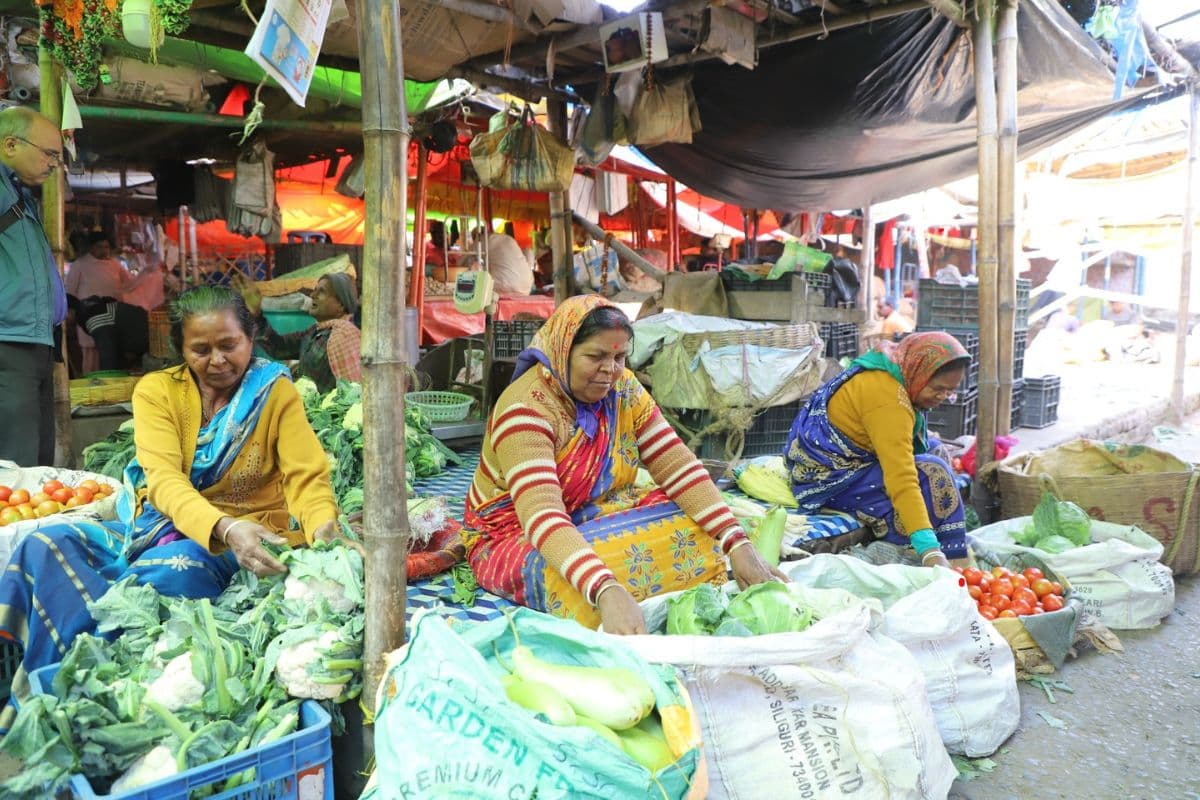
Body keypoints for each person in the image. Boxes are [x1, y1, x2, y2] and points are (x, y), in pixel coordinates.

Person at [0, 286, 345, 727]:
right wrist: (222, 527)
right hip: (162, 523)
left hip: (251, 536)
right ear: (179, 349)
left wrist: (324, 533)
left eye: (228, 345)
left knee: (174, 568)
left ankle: (110, 701)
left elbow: (306, 476)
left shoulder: (275, 394)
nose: (217, 360)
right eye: (200, 349)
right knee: (45, 545)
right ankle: (58, 694)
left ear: (251, 337)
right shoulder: (157, 392)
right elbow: (163, 481)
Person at [462, 295, 784, 634]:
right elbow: (543, 516)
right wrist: (604, 588)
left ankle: (622, 599)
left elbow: (676, 465)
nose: (611, 370)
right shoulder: (526, 412)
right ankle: (613, 602)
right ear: (561, 352)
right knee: (577, 583)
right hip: (514, 534)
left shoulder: (623, 389)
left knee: (702, 527)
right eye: (595, 356)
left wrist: (737, 542)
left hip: (595, 511)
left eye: (619, 357)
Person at [784, 331, 971, 566]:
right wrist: (929, 549)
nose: (943, 397)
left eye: (950, 392)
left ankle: (941, 543)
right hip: (826, 479)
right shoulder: (888, 399)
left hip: (851, 461)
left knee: (935, 450)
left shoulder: (896, 364)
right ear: (920, 373)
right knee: (933, 470)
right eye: (938, 388)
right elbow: (901, 476)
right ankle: (934, 551)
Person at [0, 107, 68, 466]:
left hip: (35, 342)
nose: (55, 163)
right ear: (10, 144)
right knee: (16, 462)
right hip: (9, 343)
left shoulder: (19, 194)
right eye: (50, 154)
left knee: (37, 459)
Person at [232, 271, 362, 393]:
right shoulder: (316, 331)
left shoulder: (345, 337)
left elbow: (352, 390)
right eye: (314, 290)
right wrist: (257, 314)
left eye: (322, 292)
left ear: (341, 304)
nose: (312, 295)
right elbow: (278, 347)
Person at [65, 230, 133, 301]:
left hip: (113, 308)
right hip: (89, 309)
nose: (104, 250)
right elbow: (70, 290)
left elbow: (129, 283)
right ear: (91, 247)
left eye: (106, 247)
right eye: (99, 247)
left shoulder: (115, 264)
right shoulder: (79, 264)